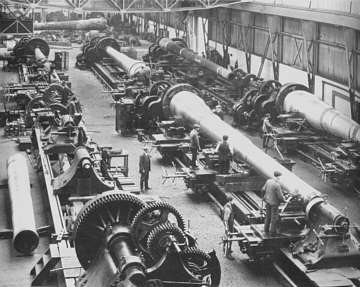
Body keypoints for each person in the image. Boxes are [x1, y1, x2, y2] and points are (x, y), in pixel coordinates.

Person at [262, 171, 285, 236]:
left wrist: (264, 197)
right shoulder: (277, 185)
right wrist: (285, 201)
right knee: (274, 218)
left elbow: (263, 189)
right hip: (274, 204)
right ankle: (272, 232)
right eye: (280, 177)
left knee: (267, 217)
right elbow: (280, 197)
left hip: (268, 202)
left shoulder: (268, 181)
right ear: (278, 177)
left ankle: (266, 230)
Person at [223, 195, 235, 260]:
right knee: (229, 239)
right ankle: (228, 254)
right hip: (229, 226)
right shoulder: (228, 209)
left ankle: (225, 249)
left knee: (227, 238)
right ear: (230, 201)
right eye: (233, 200)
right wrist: (227, 228)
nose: (234, 201)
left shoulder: (228, 206)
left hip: (229, 225)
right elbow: (225, 219)